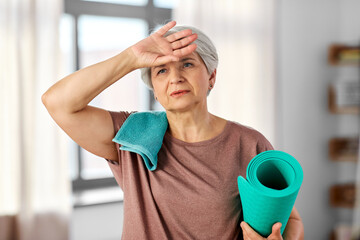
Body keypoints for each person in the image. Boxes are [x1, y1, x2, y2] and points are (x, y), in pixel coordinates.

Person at [42, 21, 304, 240]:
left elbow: (291, 220)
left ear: (211, 76)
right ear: (154, 88)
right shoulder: (131, 136)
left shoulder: (248, 144)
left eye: (187, 64)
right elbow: (57, 103)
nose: (175, 77)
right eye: (161, 70)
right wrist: (131, 58)